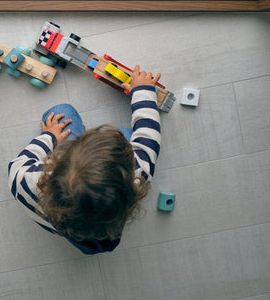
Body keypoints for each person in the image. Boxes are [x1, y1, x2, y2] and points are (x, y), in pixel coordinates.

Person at [8, 65, 162, 254]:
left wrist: (49, 136)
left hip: (62, 226)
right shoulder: (137, 174)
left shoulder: (27, 181)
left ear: (58, 161)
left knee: (61, 111)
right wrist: (143, 90)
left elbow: (19, 163)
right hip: (104, 230)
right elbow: (149, 133)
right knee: (129, 135)